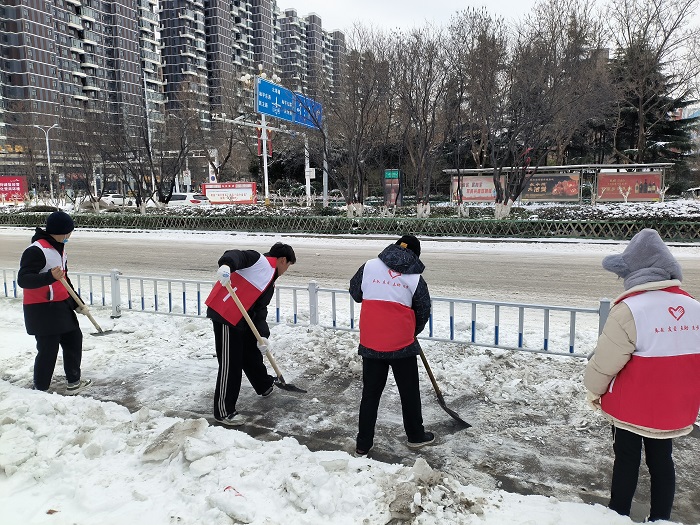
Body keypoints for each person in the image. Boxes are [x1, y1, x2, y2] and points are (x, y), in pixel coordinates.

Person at [584, 228, 700, 522]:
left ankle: (618, 514)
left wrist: (593, 390)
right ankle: (660, 517)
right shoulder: (694, 308)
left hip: (631, 407)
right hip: (674, 406)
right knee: (663, 461)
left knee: (626, 459)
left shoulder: (629, 310)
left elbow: (606, 362)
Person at [349, 234, 434, 456]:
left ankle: (363, 444)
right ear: (415, 255)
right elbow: (423, 310)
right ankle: (415, 436)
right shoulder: (415, 278)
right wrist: (412, 331)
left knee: (370, 394)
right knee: (409, 392)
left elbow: (355, 292)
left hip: (371, 341)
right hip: (401, 344)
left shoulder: (368, 266)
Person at [205, 242, 296, 426]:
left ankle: (263, 385)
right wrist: (226, 266)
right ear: (283, 260)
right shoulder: (259, 261)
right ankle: (223, 411)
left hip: (241, 317)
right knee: (231, 364)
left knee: (251, 353)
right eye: (288, 265)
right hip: (226, 313)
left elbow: (260, 311)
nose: (287, 270)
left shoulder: (270, 281)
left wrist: (263, 336)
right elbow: (237, 255)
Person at [18, 210, 92, 395]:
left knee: (74, 339)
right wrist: (49, 276)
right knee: (48, 350)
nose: (69, 236)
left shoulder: (60, 249)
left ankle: (74, 381)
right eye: (69, 232)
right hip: (41, 308)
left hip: (61, 304)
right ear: (61, 232)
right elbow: (24, 279)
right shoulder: (36, 250)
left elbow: (64, 280)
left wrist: (77, 303)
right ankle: (40, 389)